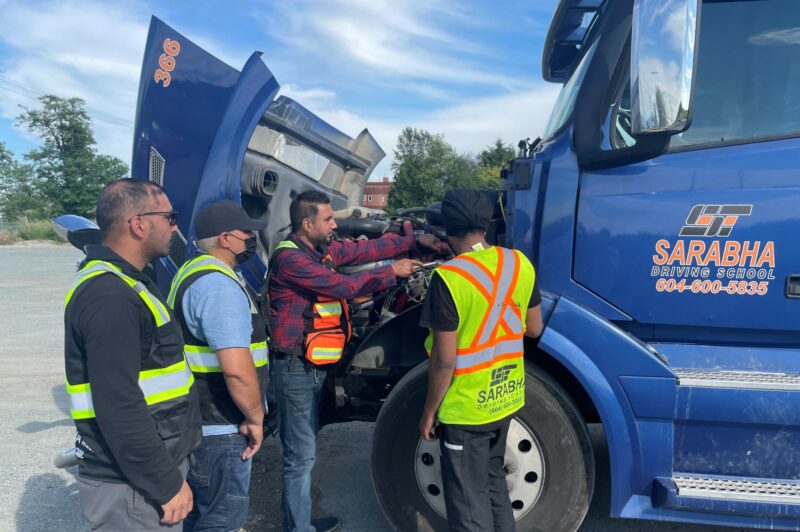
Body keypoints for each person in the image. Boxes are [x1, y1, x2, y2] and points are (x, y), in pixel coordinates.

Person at [268, 189, 445, 532]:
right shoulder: (290, 259)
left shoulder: (319, 249)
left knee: (303, 450)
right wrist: (392, 272)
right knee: (299, 456)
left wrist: (415, 240)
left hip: (311, 365)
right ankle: (297, 528)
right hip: (295, 369)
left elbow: (363, 249)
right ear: (306, 223)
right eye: (328, 219)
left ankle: (297, 520)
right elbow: (340, 286)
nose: (335, 224)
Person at [64, 178, 201, 530]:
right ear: (138, 225)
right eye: (170, 217)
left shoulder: (130, 283)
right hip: (132, 486)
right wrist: (166, 483)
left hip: (142, 477)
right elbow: (119, 403)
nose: (175, 226)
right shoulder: (111, 295)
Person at [418, 188, 544, 532]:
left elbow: (444, 361)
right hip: (504, 399)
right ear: (486, 225)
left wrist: (429, 411)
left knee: (468, 507)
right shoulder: (519, 263)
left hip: (466, 409)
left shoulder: (448, 278)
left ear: (447, 229)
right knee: (493, 487)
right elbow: (533, 329)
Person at [167, 199, 269, 531]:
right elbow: (237, 369)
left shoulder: (193, 272)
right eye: (246, 233)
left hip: (201, 422)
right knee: (221, 520)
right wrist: (255, 417)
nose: (251, 239)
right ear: (225, 239)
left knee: (202, 516)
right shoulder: (218, 287)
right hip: (221, 427)